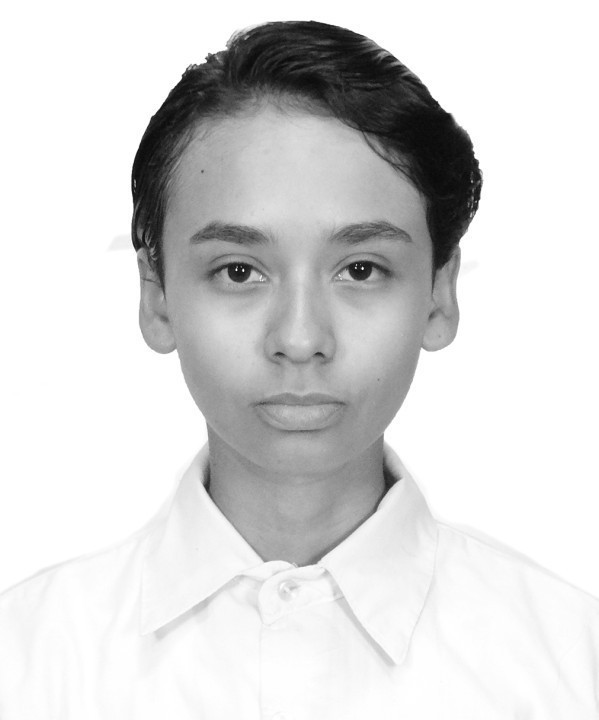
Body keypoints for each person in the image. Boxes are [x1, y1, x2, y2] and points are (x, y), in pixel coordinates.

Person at [0, 19, 597, 719]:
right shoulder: (26, 663)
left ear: (438, 293)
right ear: (156, 295)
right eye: (239, 271)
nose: (300, 338)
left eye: (361, 269)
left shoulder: (570, 666)